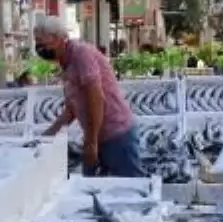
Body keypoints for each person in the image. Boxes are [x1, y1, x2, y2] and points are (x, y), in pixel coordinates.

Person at [37, 16, 145, 178]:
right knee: (92, 187)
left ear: (58, 38)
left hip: (116, 133)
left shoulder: (81, 54)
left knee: (131, 189)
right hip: (97, 137)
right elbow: (72, 108)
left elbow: (96, 98)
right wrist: (51, 132)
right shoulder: (65, 62)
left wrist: (91, 142)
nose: (39, 48)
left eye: (42, 43)